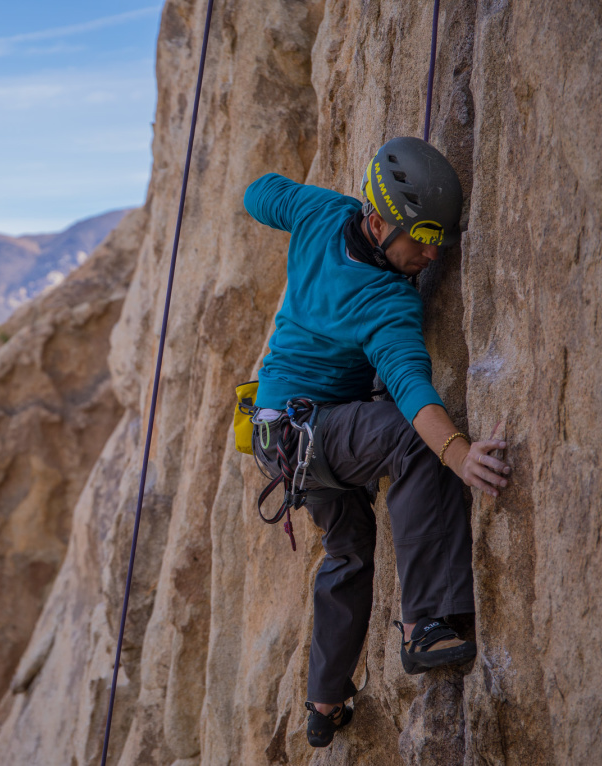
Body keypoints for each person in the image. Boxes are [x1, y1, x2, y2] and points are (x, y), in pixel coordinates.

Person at [243, 137, 511, 748]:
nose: (429, 253)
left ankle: (324, 702)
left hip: (284, 434)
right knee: (412, 441)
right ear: (379, 219)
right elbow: (413, 393)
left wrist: (277, 199)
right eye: (419, 237)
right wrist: (457, 453)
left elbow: (259, 194)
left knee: (348, 554)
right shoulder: (386, 301)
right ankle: (427, 623)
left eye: (438, 240)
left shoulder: (320, 213)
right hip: (314, 432)